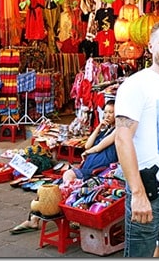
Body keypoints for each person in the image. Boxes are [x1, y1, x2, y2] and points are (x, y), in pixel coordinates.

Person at [114, 20, 159, 257]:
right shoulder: (136, 84)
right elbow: (122, 138)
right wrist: (137, 193)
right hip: (151, 190)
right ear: (150, 46)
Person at [10, 100, 118, 234]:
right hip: (87, 167)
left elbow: (98, 147)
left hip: (97, 171)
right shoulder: (104, 130)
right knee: (52, 187)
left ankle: (64, 210)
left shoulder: (118, 130)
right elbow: (87, 145)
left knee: (68, 177)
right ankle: (34, 218)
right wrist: (98, 127)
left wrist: (87, 153)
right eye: (105, 112)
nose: (107, 115)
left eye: (111, 112)